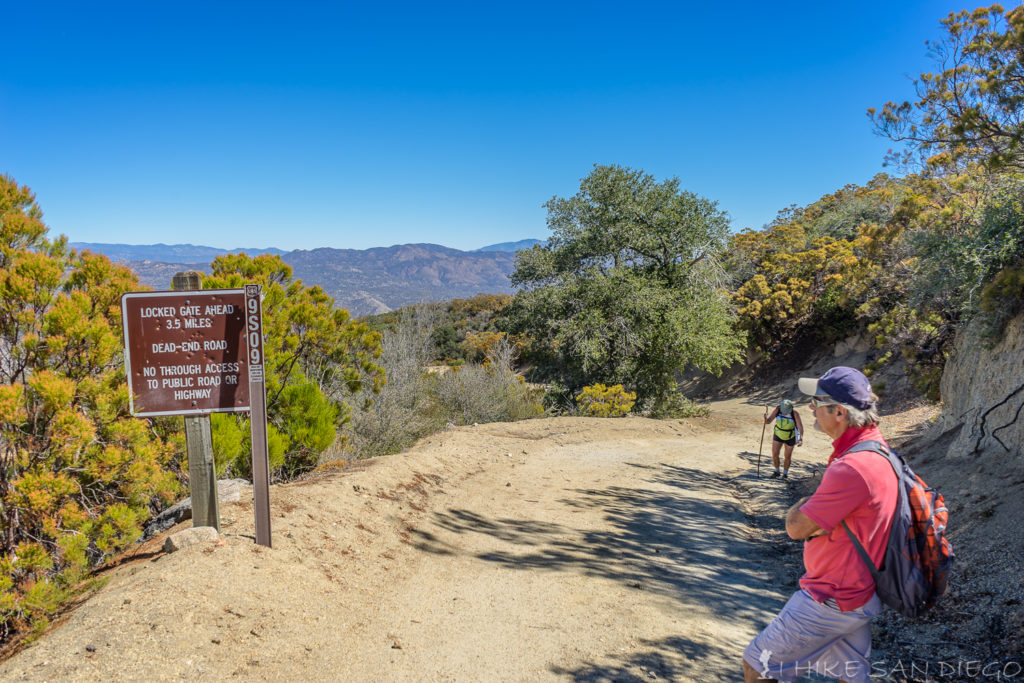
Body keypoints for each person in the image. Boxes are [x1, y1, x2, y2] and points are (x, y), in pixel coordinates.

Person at [743, 366, 898, 683]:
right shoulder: (877, 449)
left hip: (832, 597)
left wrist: (801, 509)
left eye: (817, 401)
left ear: (839, 412)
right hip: (860, 592)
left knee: (759, 665)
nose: (811, 407)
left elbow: (796, 527)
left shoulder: (853, 466)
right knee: (851, 676)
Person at [763, 399, 803, 478]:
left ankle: (785, 473)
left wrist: (800, 438)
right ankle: (776, 471)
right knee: (775, 454)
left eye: (786, 410)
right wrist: (765, 418)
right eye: (783, 410)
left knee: (787, 456)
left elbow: (800, 427)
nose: (784, 412)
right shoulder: (777, 410)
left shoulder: (794, 413)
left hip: (790, 436)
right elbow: (768, 422)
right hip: (778, 434)